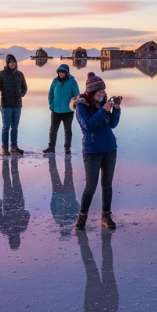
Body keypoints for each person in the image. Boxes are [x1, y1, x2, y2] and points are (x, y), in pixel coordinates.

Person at [72, 72, 121, 230]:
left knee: (107, 185)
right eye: (99, 92)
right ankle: (82, 218)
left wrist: (116, 109)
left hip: (110, 149)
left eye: (103, 91)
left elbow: (112, 124)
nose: (102, 94)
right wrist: (104, 110)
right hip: (92, 151)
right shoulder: (81, 106)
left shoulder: (102, 104)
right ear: (91, 92)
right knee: (90, 187)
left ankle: (106, 216)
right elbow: (89, 125)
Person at [0, 54, 27, 156]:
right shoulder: (1, 75)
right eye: (11, 62)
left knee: (15, 127)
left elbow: (24, 87)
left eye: (14, 62)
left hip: (17, 105)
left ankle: (14, 147)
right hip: (6, 105)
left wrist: (22, 94)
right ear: (7, 63)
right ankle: (4, 148)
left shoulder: (20, 74)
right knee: (6, 127)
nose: (13, 64)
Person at [44, 64, 79, 155]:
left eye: (63, 72)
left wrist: (74, 106)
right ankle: (51, 148)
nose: (61, 74)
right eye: (60, 72)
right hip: (55, 111)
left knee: (67, 130)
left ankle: (67, 148)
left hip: (68, 111)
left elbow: (77, 96)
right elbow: (50, 94)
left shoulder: (72, 81)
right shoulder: (55, 81)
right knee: (53, 130)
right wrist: (51, 105)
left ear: (67, 73)